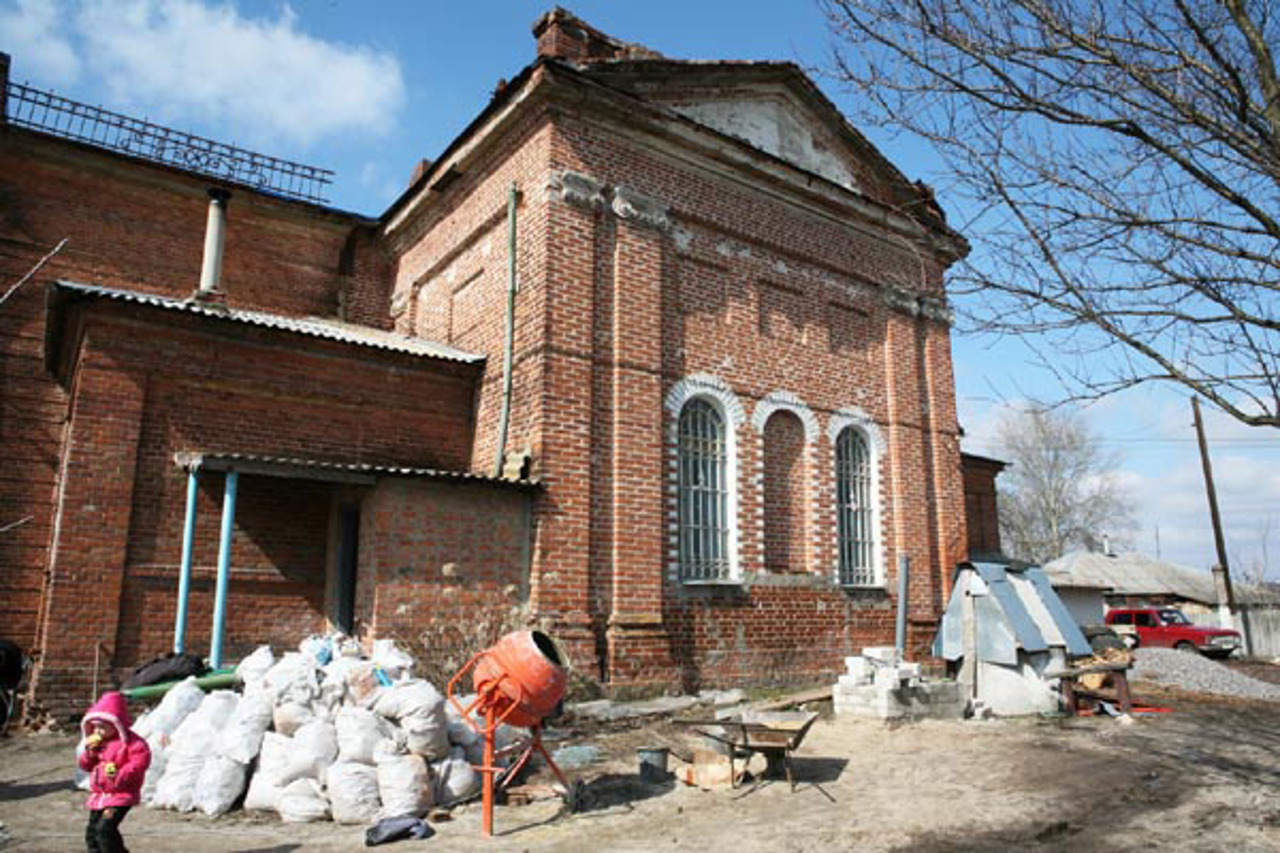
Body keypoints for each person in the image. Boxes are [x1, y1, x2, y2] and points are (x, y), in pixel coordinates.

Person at [79, 691, 150, 853]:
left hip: (121, 794)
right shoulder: (98, 743)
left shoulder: (133, 743)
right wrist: (90, 752)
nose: (98, 731)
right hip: (99, 795)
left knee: (105, 830)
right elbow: (86, 766)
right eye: (95, 727)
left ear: (116, 724)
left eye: (102, 727)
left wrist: (118, 776)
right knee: (92, 833)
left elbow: (138, 765)